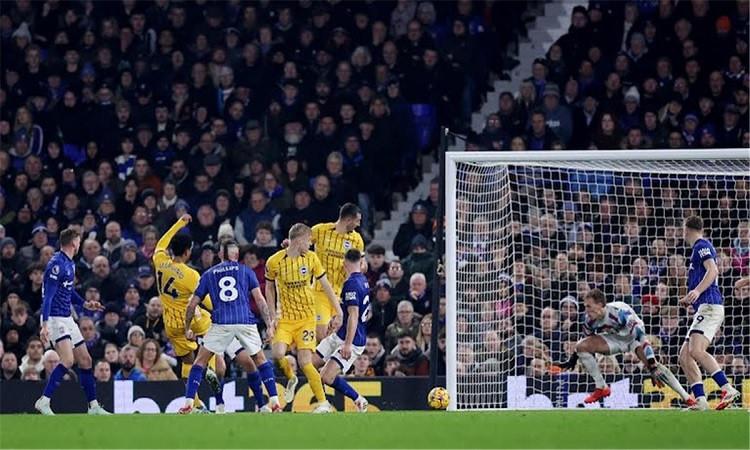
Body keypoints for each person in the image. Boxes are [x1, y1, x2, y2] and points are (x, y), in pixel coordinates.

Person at [179, 239, 279, 414]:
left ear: (219, 255)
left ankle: (188, 403)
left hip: (220, 324)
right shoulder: (246, 271)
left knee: (200, 362)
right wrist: (269, 325)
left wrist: (187, 328)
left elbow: (191, 305)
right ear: (237, 254)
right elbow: (260, 300)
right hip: (244, 322)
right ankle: (274, 402)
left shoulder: (209, 274)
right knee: (259, 360)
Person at [558, 288, 691, 406]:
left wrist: (652, 365)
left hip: (634, 338)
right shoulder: (589, 320)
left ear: (599, 305)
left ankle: (686, 397)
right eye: (585, 306)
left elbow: (642, 339)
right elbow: (585, 339)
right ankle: (601, 387)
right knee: (581, 346)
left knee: (655, 368)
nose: (586, 310)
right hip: (615, 339)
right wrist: (572, 360)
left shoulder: (620, 314)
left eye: (588, 306)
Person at [265, 223, 343, 413]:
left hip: (307, 319)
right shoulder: (274, 261)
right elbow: (269, 288)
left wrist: (338, 310)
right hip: (285, 319)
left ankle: (323, 403)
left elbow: (326, 286)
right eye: (309, 240)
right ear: (299, 241)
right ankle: (291, 377)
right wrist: (271, 317)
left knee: (305, 362)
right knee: (276, 354)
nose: (310, 243)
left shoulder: (311, 258)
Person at [35, 227, 109, 415]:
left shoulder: (70, 263)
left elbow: (68, 291)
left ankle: (93, 407)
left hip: (67, 318)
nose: (80, 243)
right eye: (79, 240)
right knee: (67, 359)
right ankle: (44, 401)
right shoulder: (56, 264)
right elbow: (48, 298)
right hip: (53, 318)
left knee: (85, 360)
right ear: (74, 242)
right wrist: (44, 325)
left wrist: (85, 304)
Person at [678, 216, 740, 410]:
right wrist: (691, 297)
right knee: (684, 356)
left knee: (696, 351)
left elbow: (713, 270)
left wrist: (696, 291)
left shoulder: (701, 245)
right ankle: (701, 401)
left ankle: (728, 388)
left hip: (711, 306)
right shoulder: (697, 249)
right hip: (705, 307)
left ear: (686, 229)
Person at [312, 249, 370, 412]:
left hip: (352, 340)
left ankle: (358, 400)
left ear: (344, 264)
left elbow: (354, 315)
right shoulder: (363, 280)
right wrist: (338, 318)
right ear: (361, 262)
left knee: (326, 376)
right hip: (340, 334)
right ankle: (322, 404)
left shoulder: (351, 284)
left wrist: (348, 345)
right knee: (309, 365)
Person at [310, 203, 365, 343]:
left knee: (334, 337)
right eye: (357, 220)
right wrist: (290, 245)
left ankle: (325, 365)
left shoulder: (357, 239)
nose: (358, 224)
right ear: (348, 220)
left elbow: (362, 263)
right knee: (322, 334)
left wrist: (360, 267)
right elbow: (301, 242)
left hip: (341, 294)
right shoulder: (320, 230)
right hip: (320, 291)